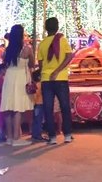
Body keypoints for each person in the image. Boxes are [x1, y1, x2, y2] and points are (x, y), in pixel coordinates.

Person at [36, 17, 73, 145]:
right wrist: (58, 71)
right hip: (61, 78)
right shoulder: (62, 40)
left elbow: (40, 64)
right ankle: (67, 134)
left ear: (46, 28)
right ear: (57, 27)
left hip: (46, 79)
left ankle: (52, 137)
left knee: (48, 108)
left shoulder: (42, 44)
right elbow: (69, 56)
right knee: (65, 107)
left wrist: (49, 71)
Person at [0, 24, 36, 146]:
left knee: (9, 107)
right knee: (18, 108)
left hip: (9, 78)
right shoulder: (27, 49)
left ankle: (9, 137)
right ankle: (16, 137)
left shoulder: (6, 51)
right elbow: (31, 64)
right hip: (20, 78)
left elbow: (4, 65)